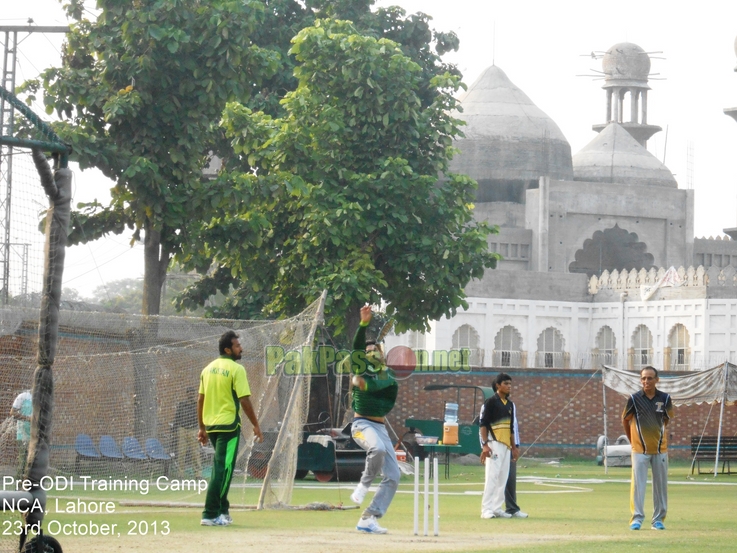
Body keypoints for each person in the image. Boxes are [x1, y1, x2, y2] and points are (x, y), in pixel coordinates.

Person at [198, 330, 263, 527]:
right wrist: (256, 424)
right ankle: (210, 513)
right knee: (223, 470)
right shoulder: (236, 369)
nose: (240, 348)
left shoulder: (207, 369)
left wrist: (202, 428)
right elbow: (244, 399)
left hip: (212, 426)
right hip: (228, 426)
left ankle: (223, 511)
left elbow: (201, 399)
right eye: (237, 346)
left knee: (222, 468)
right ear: (228, 349)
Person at [349, 305, 400, 534]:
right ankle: (364, 485)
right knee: (377, 450)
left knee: (394, 476)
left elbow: (380, 385)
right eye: (368, 351)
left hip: (380, 427)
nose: (371, 353)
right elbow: (356, 347)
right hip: (361, 426)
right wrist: (363, 324)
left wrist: (366, 385)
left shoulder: (387, 374)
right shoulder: (360, 368)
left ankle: (369, 517)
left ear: (382, 353)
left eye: (375, 350)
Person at [622, 366, 674, 531]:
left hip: (660, 450)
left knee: (660, 486)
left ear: (657, 380)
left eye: (650, 378)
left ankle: (658, 520)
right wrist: (633, 441)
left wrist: (658, 438)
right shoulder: (634, 399)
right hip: (639, 451)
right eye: (643, 378)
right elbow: (625, 420)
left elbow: (666, 421)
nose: (646, 381)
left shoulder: (665, 399)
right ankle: (636, 519)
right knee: (638, 485)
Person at [479, 373, 518, 519]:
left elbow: (511, 428)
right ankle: (486, 509)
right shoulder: (490, 402)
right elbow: (483, 424)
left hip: (506, 446)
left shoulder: (509, 405)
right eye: (506, 384)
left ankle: (496, 508)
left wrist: (514, 448)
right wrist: (485, 445)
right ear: (498, 385)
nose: (509, 387)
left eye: (510, 384)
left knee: (503, 477)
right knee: (492, 477)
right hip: (494, 444)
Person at [174, 387, 202, 478]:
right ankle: (180, 474)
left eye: (192, 393)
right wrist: (175, 429)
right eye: (189, 393)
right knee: (181, 452)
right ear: (186, 394)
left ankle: (198, 474)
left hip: (193, 429)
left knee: (195, 453)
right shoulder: (182, 405)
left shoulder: (197, 404)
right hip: (182, 429)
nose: (190, 394)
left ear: (194, 394)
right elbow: (177, 417)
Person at [10, 389, 32, 478]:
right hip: (23, 434)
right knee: (23, 460)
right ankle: (19, 484)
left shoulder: (41, 398)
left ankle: (31, 484)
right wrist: (28, 418)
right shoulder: (23, 396)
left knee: (33, 462)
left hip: (35, 435)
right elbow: (12, 412)